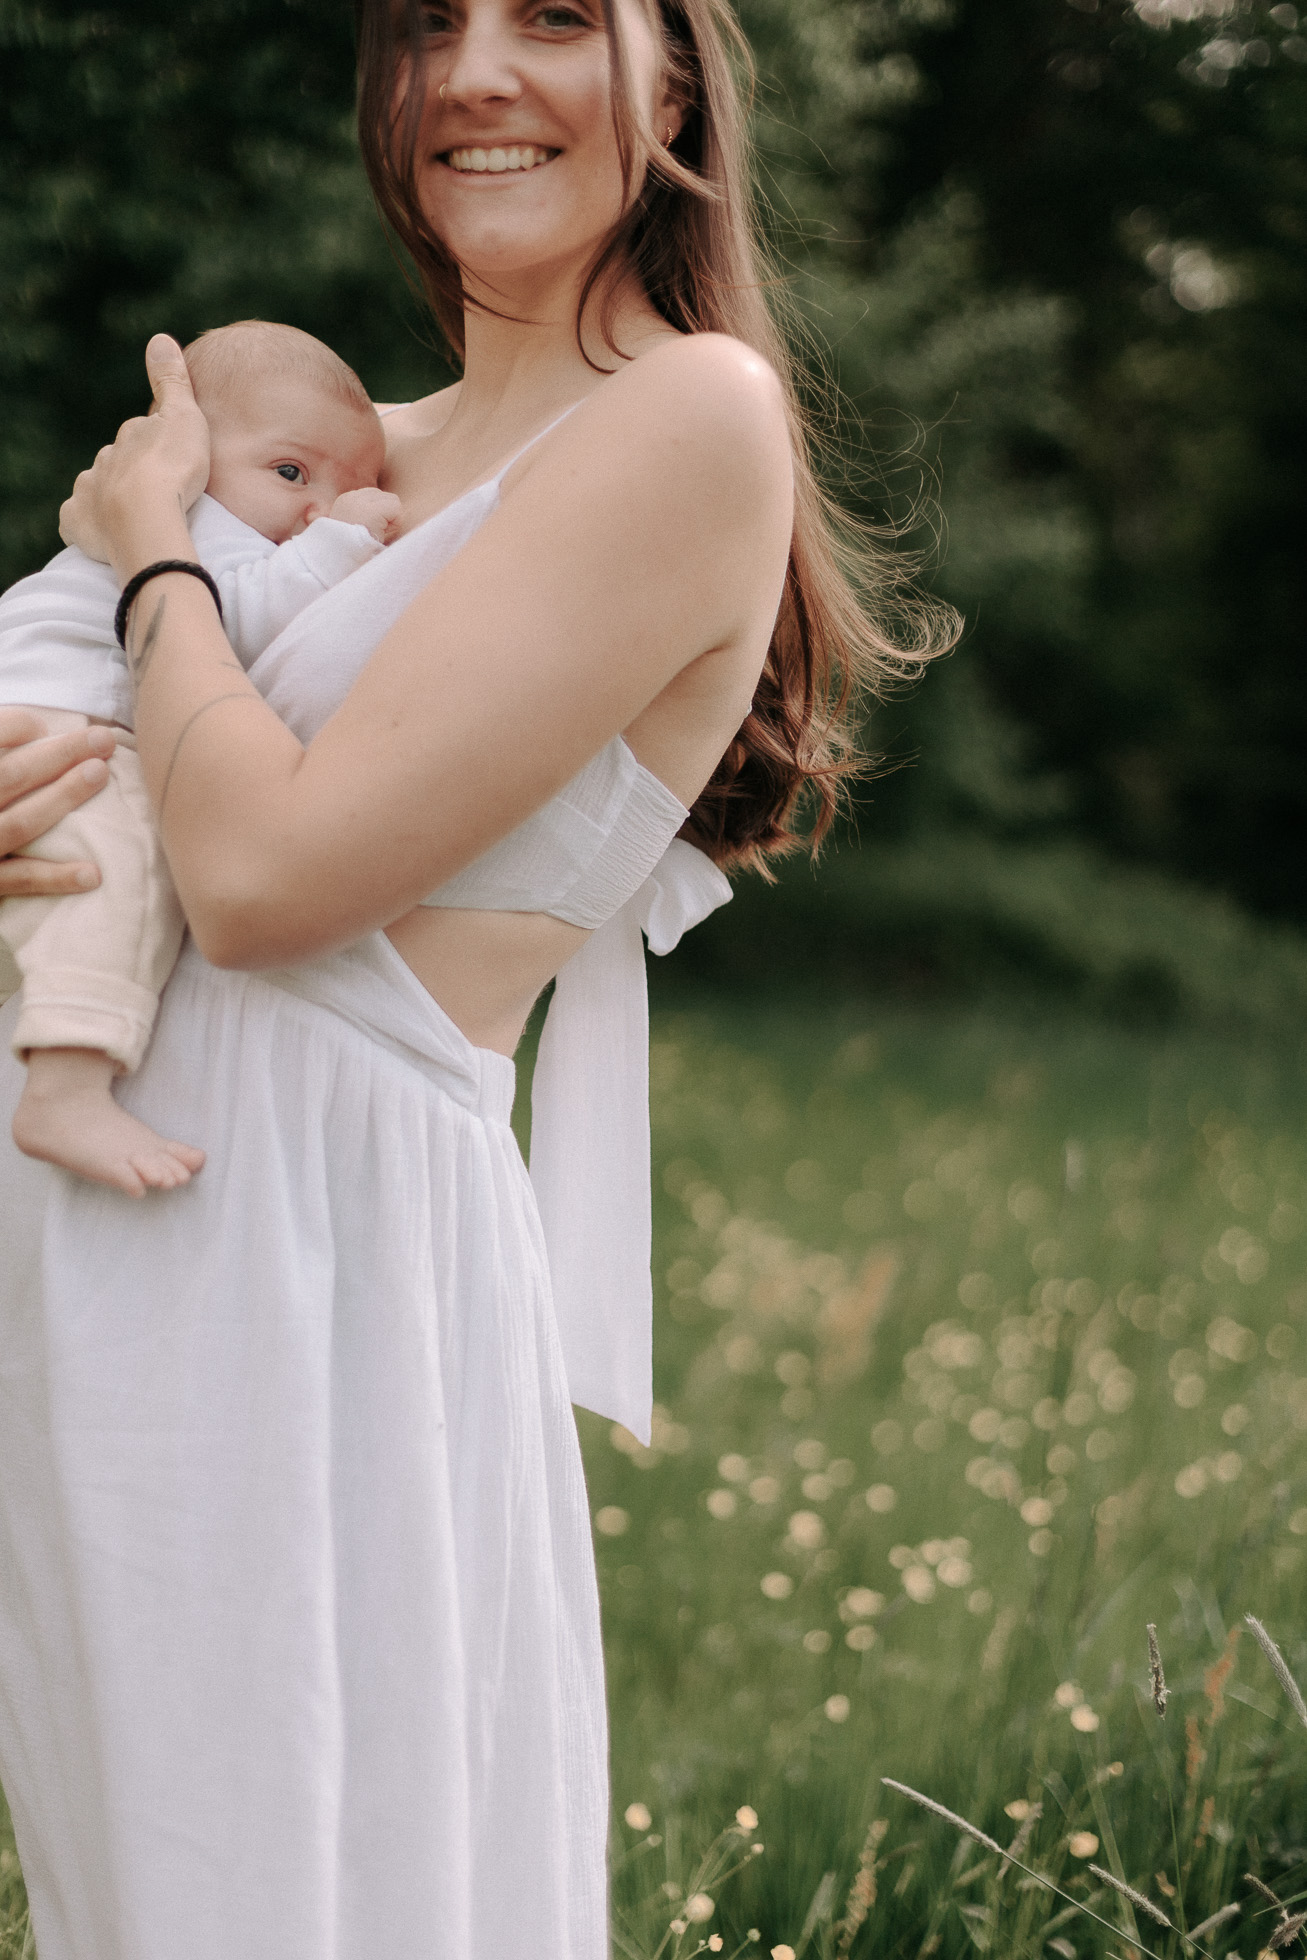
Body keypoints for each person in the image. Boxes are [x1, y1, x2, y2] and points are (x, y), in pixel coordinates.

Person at [0, 2, 954, 1957]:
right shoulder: (339, 436)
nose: (476, 73)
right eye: (431, 23)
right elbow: (118, 775)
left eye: (552, 17)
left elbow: (264, 877)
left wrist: (141, 555)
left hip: (310, 1255)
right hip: (79, 1221)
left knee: (276, 1888)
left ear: (674, 78)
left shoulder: (690, 419)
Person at [0, 319, 401, 1195]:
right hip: (64, 730)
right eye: (291, 472)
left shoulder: (172, 521)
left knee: (52, 913)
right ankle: (64, 1092)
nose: (312, 508)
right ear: (189, 456)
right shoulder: (191, 523)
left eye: (342, 490)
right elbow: (232, 619)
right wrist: (347, 541)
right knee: (129, 872)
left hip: (43, 720)